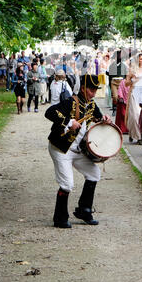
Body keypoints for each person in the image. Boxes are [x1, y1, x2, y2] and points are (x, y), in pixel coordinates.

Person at [45, 74, 111, 228]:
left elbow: (98, 118)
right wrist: (69, 122)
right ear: (82, 88)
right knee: (67, 184)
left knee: (94, 174)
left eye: (95, 90)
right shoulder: (70, 102)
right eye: (91, 90)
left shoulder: (92, 105)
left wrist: (105, 119)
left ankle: (84, 210)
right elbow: (49, 112)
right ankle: (60, 218)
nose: (93, 93)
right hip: (61, 149)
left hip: (77, 150)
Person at [125, 53, 142, 144]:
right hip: (134, 92)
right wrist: (132, 81)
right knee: (134, 115)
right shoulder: (132, 70)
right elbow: (126, 83)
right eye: (140, 59)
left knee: (141, 115)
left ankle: (139, 136)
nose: (141, 61)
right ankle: (135, 134)